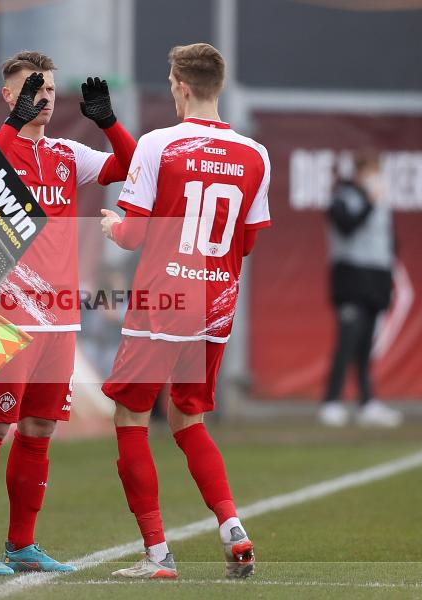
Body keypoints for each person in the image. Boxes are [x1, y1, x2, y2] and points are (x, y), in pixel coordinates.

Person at [0, 51, 136, 575]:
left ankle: (22, 543)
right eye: (34, 87)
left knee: (38, 430)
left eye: (52, 89)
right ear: (8, 95)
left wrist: (108, 122)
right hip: (0, 314)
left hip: (58, 318)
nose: (46, 97)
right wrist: (13, 123)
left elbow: (126, 166)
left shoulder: (64, 153)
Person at [98, 43, 270, 579]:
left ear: (182, 85)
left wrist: (111, 228)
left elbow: (132, 235)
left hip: (162, 301)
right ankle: (232, 526)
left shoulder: (158, 145)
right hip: (215, 305)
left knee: (130, 416)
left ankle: (157, 555)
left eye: (172, 82)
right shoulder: (256, 154)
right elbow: (247, 243)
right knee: (188, 417)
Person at [318, 151, 402, 428]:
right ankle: (331, 402)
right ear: (358, 173)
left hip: (376, 280)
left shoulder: (382, 203)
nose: (375, 179)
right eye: (370, 172)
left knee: (366, 345)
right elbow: (346, 227)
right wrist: (369, 200)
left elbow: (389, 244)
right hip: (351, 278)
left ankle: (367, 402)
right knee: (347, 341)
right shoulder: (342, 197)